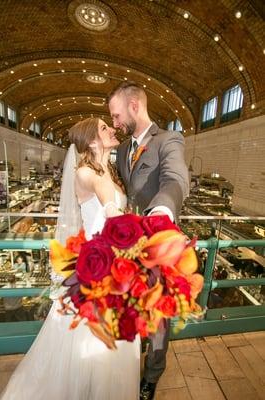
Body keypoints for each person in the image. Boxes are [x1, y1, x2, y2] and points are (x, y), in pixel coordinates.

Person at [0, 117, 140, 400]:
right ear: (91, 141)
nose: (111, 130)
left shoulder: (107, 170)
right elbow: (112, 214)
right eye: (104, 128)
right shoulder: (87, 173)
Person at [108, 81, 189, 400]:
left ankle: (152, 375)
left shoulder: (169, 140)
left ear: (134, 106)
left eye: (116, 116)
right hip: (127, 246)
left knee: (157, 315)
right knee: (132, 307)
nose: (115, 124)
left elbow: (176, 179)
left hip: (158, 246)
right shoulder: (124, 149)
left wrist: (161, 211)